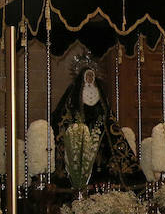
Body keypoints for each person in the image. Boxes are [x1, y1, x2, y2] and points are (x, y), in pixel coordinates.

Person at [51, 58, 144, 188]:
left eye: (91, 76)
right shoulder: (75, 92)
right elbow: (67, 110)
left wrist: (104, 121)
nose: (89, 79)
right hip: (81, 130)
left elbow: (105, 109)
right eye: (87, 76)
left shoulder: (99, 91)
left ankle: (102, 180)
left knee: (102, 155)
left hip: (99, 129)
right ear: (83, 77)